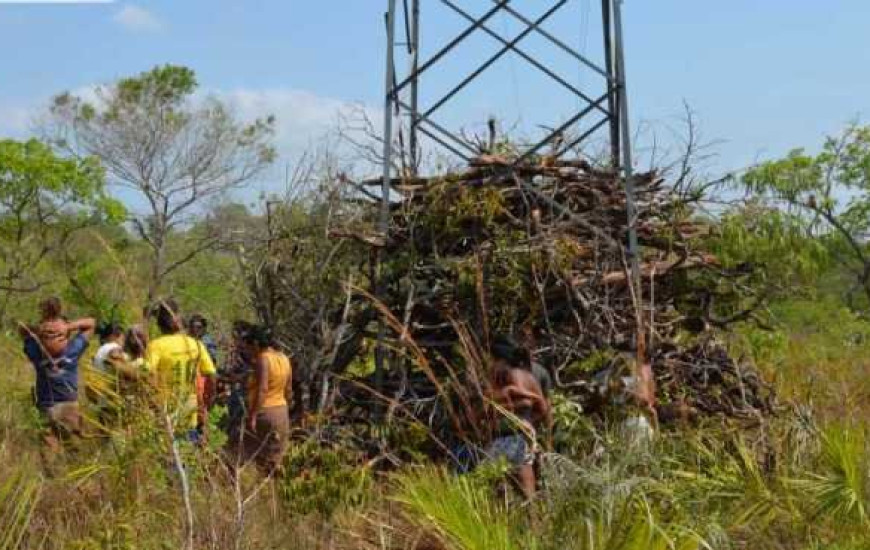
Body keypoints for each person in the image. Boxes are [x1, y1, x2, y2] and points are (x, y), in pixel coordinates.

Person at [18, 305, 95, 449]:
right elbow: (22, 327)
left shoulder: (70, 350)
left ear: (66, 337)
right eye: (48, 335)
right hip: (47, 408)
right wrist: (40, 330)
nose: (53, 337)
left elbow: (91, 323)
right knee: (53, 454)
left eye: (58, 335)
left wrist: (67, 327)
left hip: (65, 408)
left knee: (72, 449)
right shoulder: (39, 352)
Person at [486, 335, 551, 500]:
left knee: (506, 496)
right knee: (524, 496)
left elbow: (542, 407)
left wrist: (523, 424)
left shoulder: (500, 377)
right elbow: (543, 409)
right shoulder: (525, 377)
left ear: (499, 358)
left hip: (516, 440)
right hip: (515, 438)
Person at [144, 299, 216, 442]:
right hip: (189, 412)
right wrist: (209, 400)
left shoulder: (156, 346)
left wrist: (151, 402)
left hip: (164, 412)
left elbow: (147, 375)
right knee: (188, 453)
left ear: (159, 324)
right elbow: (211, 374)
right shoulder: (195, 344)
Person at [229, 324, 291, 476]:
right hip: (281, 412)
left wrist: (253, 415)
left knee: (236, 450)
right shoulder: (283, 358)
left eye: (250, 346)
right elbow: (288, 389)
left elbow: (263, 389)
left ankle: (230, 486)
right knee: (273, 456)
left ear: (256, 344)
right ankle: (271, 491)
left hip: (265, 412)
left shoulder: (264, 359)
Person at [188, 313, 218, 432]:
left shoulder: (207, 343)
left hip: (203, 382)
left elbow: (212, 366)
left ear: (203, 328)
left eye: (198, 327)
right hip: (190, 382)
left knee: (201, 414)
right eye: (192, 326)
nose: (195, 329)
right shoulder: (187, 341)